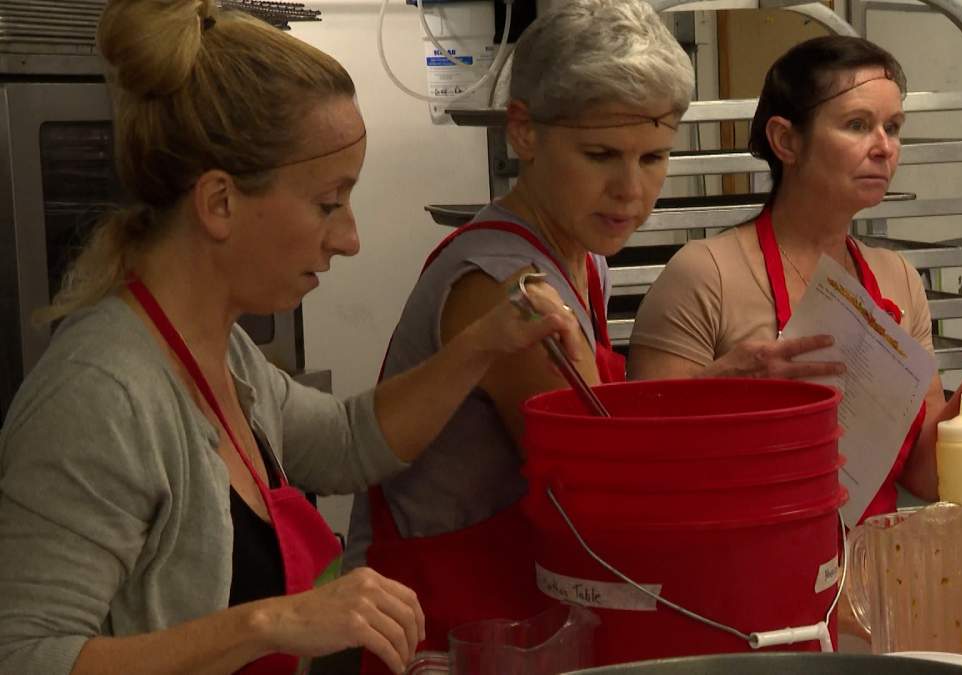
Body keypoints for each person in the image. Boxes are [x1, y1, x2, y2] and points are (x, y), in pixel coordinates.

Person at [0, 1, 579, 674]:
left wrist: (483, 342)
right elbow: (25, 654)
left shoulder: (225, 357)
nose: (350, 238)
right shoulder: (101, 396)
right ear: (219, 203)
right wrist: (271, 620)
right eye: (328, 202)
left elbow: (344, 441)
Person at [342, 0, 694, 660]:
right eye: (600, 154)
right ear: (524, 132)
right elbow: (599, 484)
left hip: (516, 617)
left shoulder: (579, 255)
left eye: (654, 158)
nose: (631, 189)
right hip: (443, 632)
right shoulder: (502, 287)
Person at [629, 35, 962, 519]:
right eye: (857, 125)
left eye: (893, 127)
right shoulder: (706, 274)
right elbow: (640, 463)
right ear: (786, 141)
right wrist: (724, 387)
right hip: (738, 564)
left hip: (869, 571)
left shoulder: (897, 279)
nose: (884, 148)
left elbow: (926, 477)